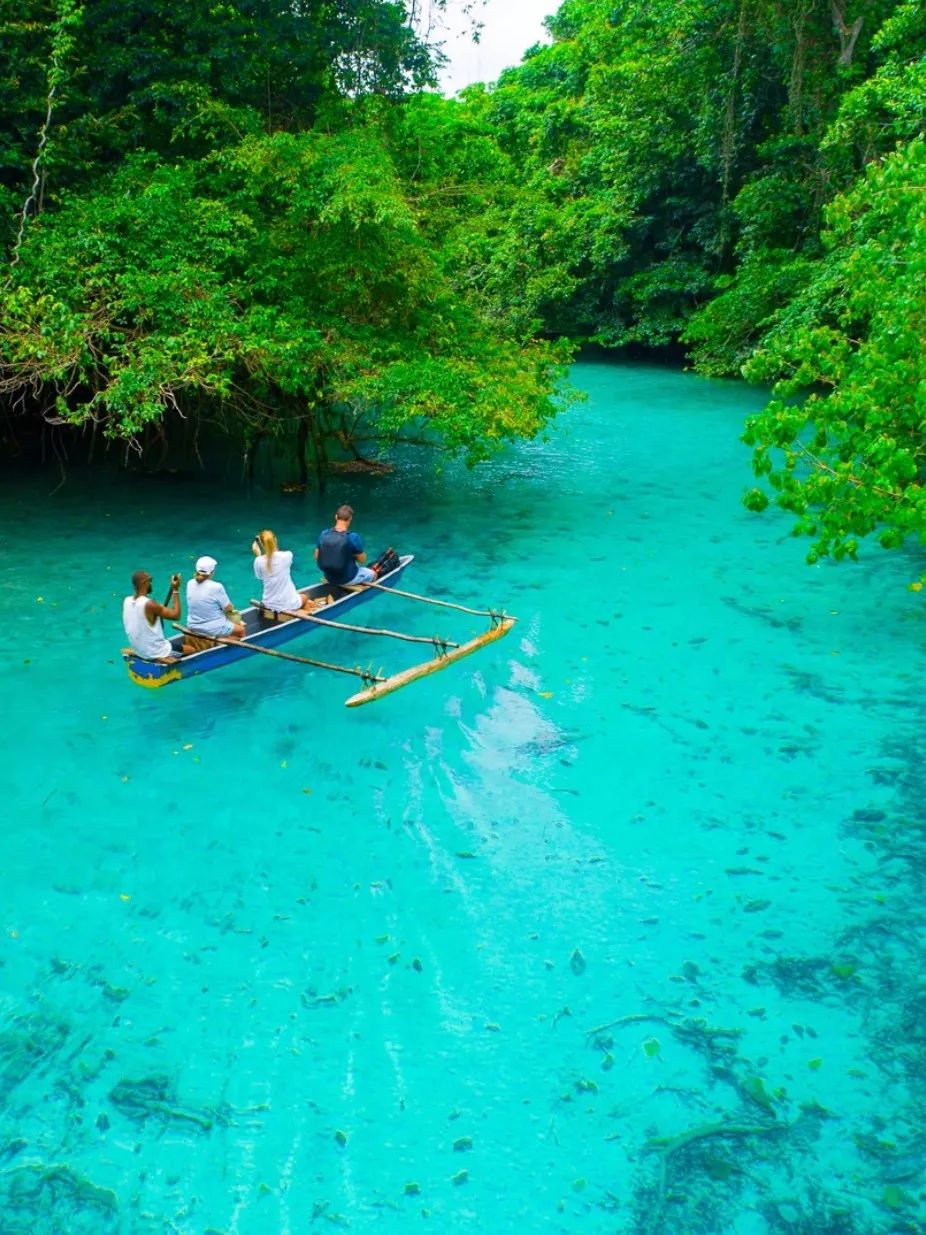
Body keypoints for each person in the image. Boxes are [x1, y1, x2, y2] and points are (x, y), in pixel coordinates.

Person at [123, 569, 184, 662]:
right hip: (155, 652)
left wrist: (158, 609)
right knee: (193, 650)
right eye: (150, 580)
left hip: (139, 651)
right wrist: (176, 590)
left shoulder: (126, 601)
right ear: (144, 583)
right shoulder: (150, 604)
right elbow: (176, 615)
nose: (151, 583)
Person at [252, 529, 314, 613]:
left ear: (262, 545)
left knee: (300, 598)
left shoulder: (258, 561)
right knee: (305, 597)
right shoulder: (287, 555)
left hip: (268, 604)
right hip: (288, 604)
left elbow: (259, 577)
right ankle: (308, 615)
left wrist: (258, 555)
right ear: (275, 540)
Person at [315, 504, 376, 587]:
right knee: (373, 574)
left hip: (329, 577)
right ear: (350, 519)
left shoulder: (324, 533)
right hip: (347, 579)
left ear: (336, 517)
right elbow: (362, 560)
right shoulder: (353, 537)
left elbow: (316, 556)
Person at [186, 556, 245, 639]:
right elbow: (228, 608)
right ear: (212, 572)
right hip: (211, 628)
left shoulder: (190, 583)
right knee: (241, 630)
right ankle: (221, 645)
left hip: (192, 625)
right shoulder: (216, 587)